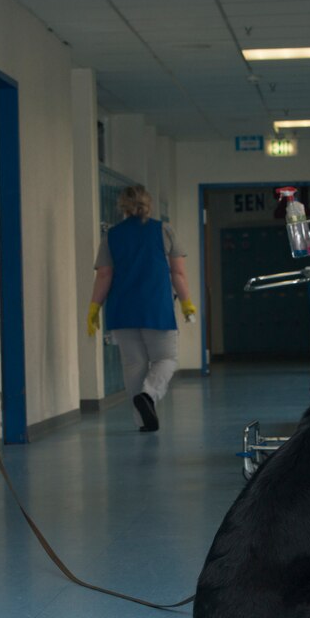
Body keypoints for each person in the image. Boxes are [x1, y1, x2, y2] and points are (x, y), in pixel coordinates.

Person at [87, 185, 196, 432]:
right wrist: (187, 303)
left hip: (122, 310)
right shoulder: (164, 230)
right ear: (149, 203)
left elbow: (104, 276)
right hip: (156, 307)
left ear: (121, 206)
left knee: (133, 365)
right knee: (166, 358)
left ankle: (142, 420)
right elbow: (177, 272)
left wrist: (94, 308)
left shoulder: (111, 235)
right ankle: (149, 395)